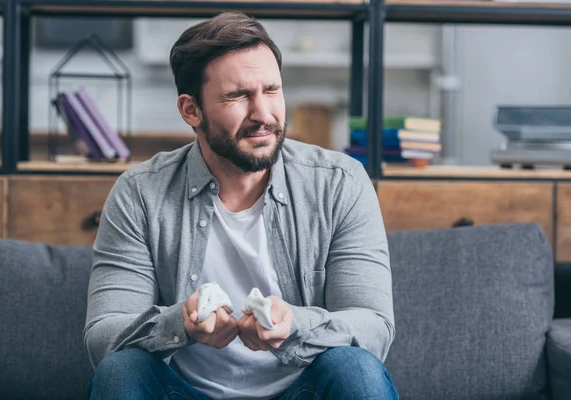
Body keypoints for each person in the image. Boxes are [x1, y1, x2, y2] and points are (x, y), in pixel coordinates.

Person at [84, 11, 397, 400]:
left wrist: (294, 325)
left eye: (271, 90)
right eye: (238, 96)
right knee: (121, 371)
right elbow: (103, 335)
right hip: (182, 392)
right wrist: (179, 324)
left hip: (303, 390)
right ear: (191, 110)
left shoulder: (339, 182)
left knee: (356, 369)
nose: (263, 114)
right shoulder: (140, 193)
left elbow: (373, 325)